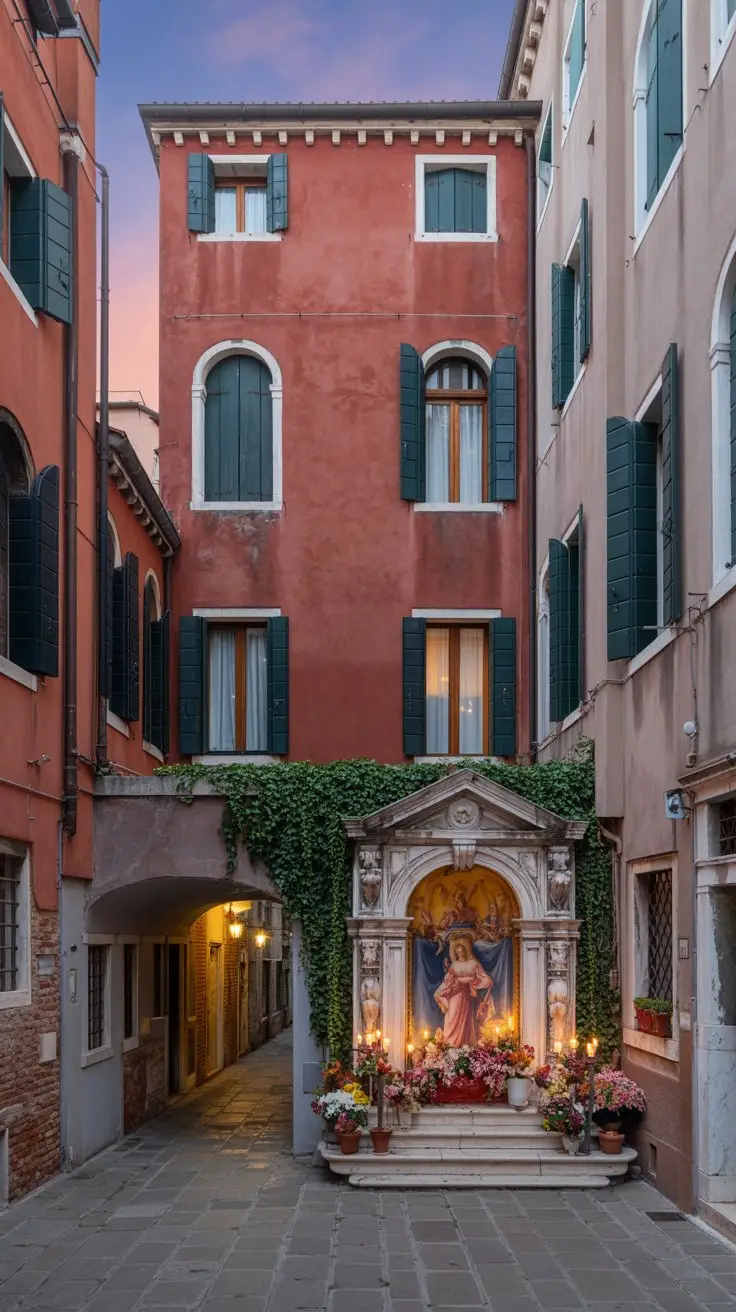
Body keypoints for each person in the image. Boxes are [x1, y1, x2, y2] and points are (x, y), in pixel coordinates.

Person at [433, 939, 492, 1047]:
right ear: (456, 953)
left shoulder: (474, 963)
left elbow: (486, 980)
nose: (461, 953)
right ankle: (449, 1045)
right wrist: (439, 992)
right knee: (452, 1016)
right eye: (458, 952)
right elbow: (448, 981)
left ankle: (464, 1046)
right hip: (455, 994)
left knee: (465, 1020)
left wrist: (474, 983)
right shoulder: (454, 965)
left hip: (467, 995)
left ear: (466, 951)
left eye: (462, 951)